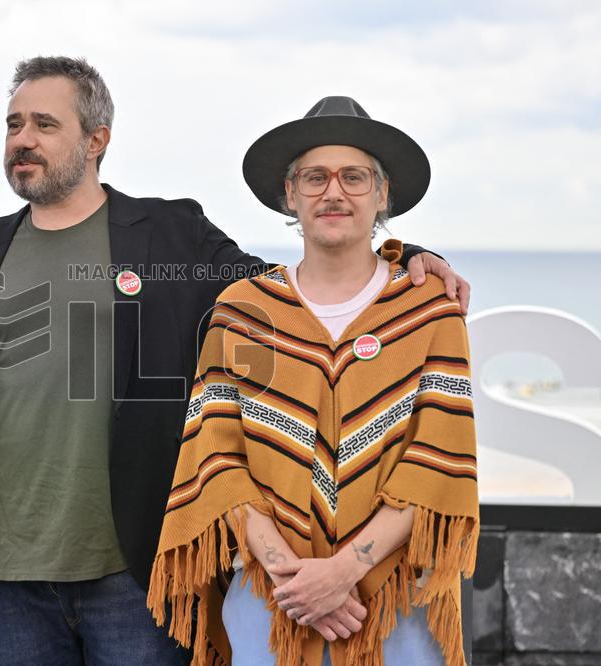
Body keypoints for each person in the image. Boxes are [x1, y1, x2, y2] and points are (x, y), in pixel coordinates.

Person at [0, 59, 470, 664]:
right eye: (14, 125)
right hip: (11, 569)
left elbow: (304, 286)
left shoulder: (172, 235)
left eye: (44, 123)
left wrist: (410, 258)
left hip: (129, 566)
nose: (24, 139)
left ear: (96, 140)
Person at [148, 96, 479, 666]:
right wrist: (297, 581)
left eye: (354, 177)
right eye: (314, 177)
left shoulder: (428, 312)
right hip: (272, 598)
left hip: (398, 603)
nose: (334, 192)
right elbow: (217, 459)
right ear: (290, 194)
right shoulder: (245, 312)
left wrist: (344, 572)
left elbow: (436, 460)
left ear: (382, 196)